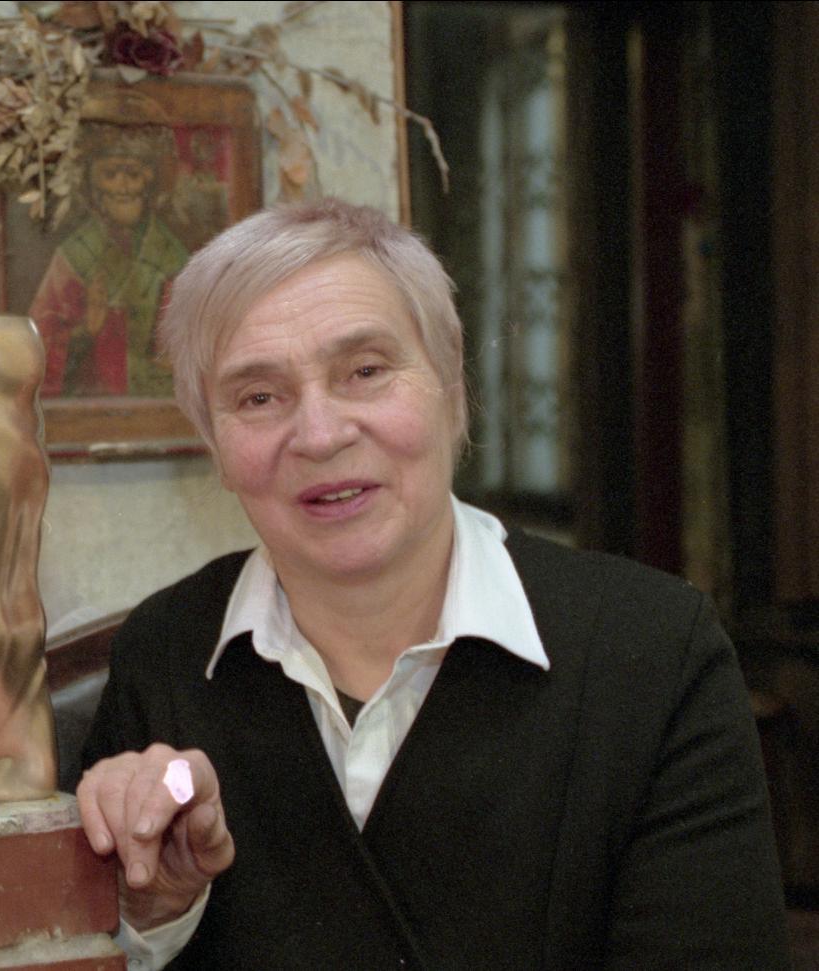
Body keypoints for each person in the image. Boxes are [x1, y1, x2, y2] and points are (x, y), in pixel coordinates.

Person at [74, 198, 789, 968]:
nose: (319, 434)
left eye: (364, 371)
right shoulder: (164, 654)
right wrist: (154, 911)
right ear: (214, 445)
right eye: (257, 397)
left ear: (452, 389)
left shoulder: (654, 653)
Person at [28, 126, 187, 399]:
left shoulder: (170, 254)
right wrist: (84, 331)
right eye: (110, 175)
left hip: (157, 410)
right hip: (85, 410)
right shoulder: (74, 257)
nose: (123, 187)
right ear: (94, 186)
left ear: (149, 184)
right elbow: (36, 348)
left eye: (133, 175)